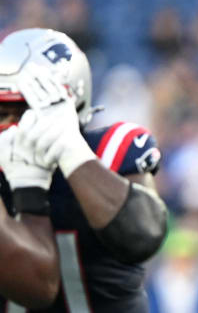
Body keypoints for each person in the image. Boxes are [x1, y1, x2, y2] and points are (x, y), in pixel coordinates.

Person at [0, 28, 167, 312]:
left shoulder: (112, 148)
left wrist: (71, 150)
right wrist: (28, 189)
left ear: (69, 103)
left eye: (21, 109)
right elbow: (38, 289)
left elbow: (143, 237)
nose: (9, 125)